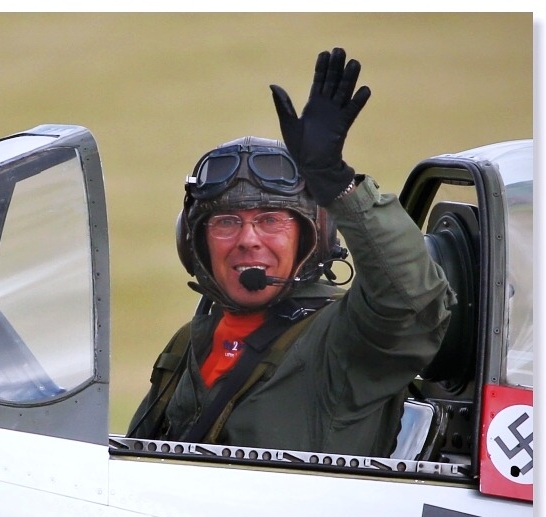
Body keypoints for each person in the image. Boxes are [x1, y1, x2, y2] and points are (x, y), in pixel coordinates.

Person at [126, 47, 456, 458]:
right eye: (226, 222)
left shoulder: (347, 342)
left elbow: (412, 299)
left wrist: (339, 186)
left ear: (309, 238)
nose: (248, 239)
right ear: (194, 243)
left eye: (270, 220)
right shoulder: (191, 343)